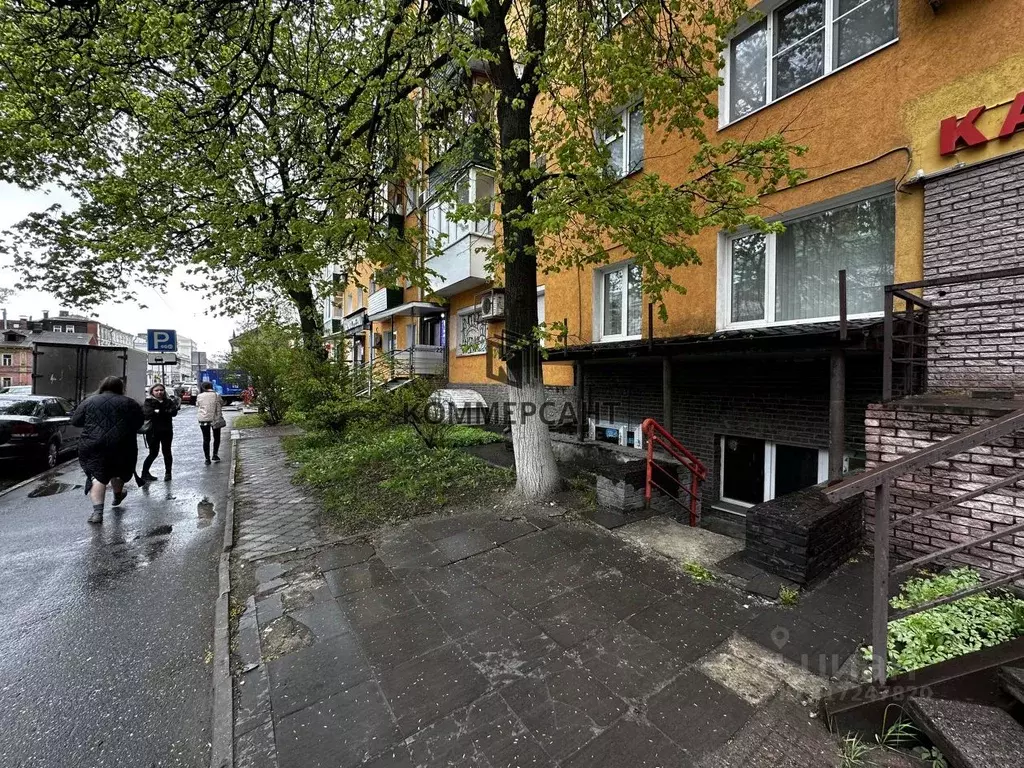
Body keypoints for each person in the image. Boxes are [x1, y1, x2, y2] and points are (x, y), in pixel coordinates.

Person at [69, 376, 145, 524]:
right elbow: (139, 422)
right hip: (122, 443)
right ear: (120, 388)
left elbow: (76, 421)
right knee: (118, 470)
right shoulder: (129, 402)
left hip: (93, 443)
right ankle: (117, 494)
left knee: (97, 475)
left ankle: (98, 513)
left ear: (102, 386)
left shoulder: (89, 401)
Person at [140, 383, 179, 481]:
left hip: (167, 430)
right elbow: (147, 414)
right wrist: (163, 411)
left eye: (161, 390)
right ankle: (145, 473)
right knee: (153, 453)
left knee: (167, 452)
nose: (159, 392)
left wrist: (159, 411)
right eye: (156, 390)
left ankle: (168, 473)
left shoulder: (168, 401)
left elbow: (173, 412)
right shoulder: (148, 401)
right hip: (153, 432)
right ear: (152, 391)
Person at [196, 381, 225, 465]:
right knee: (216, 437)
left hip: (203, 419)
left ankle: (207, 458)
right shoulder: (217, 395)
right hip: (215, 419)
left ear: (203, 387)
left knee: (206, 439)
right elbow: (221, 404)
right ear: (211, 387)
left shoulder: (199, 396)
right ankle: (215, 454)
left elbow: (198, 404)